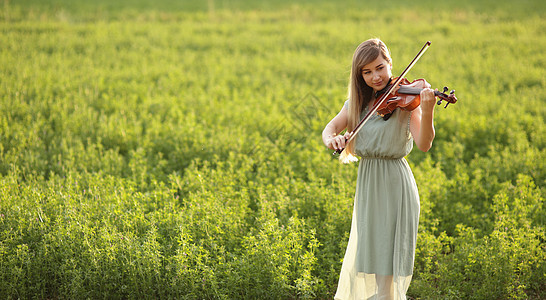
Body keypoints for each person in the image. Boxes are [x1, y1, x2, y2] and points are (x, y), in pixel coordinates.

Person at [322, 38, 437, 300]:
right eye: (367, 71)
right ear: (359, 74)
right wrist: (333, 139)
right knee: (373, 254)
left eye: (380, 68)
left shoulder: (406, 101)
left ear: (390, 64)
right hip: (369, 185)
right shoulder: (357, 104)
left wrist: (428, 109)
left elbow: (424, 144)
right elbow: (329, 129)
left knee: (388, 258)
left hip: (395, 185)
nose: (376, 76)